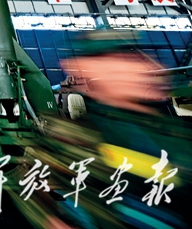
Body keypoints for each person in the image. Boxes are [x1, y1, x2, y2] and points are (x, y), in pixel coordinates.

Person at [19, 31, 192, 229]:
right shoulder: (69, 139)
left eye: (129, 58)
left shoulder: (172, 127)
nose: (127, 68)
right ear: (81, 69)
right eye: (112, 61)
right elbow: (37, 194)